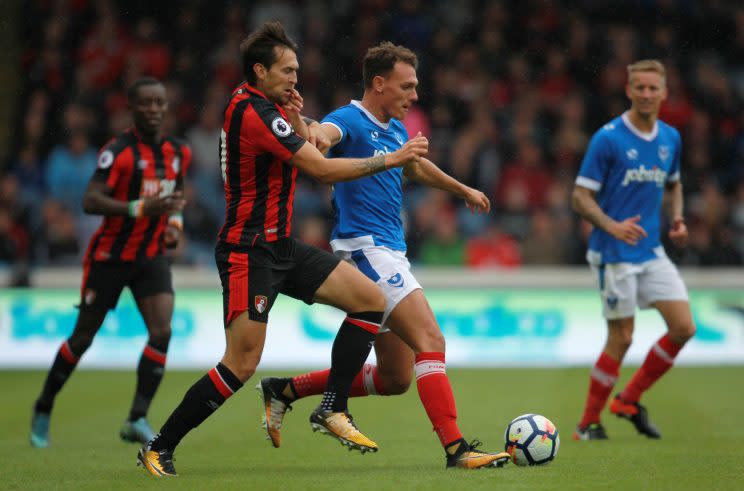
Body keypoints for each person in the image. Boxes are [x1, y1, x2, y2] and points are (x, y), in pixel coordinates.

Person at [137, 22, 429, 477]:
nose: (295, 78)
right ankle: (159, 446)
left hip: (279, 245)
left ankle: (333, 407)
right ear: (259, 70)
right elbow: (322, 170)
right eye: (287, 70)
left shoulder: (264, 106)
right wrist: (391, 159)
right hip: (246, 251)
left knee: (370, 300)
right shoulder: (253, 111)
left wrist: (297, 120)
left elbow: (309, 139)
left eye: (297, 69)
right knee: (241, 363)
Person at [257, 42, 511, 469]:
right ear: (379, 83)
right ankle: (457, 450)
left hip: (390, 251)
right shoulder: (349, 120)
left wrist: (462, 188)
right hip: (366, 251)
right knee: (431, 340)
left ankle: (286, 389)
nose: (414, 95)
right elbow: (321, 137)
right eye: (406, 86)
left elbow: (413, 167)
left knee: (396, 378)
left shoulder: (393, 127)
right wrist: (307, 126)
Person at [30, 77, 191, 448]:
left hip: (151, 255)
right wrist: (138, 208)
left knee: (162, 331)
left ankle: (136, 417)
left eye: (159, 103)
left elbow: (177, 193)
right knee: (83, 337)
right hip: (110, 257)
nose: (154, 109)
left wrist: (175, 225)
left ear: (166, 108)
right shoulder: (117, 152)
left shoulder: (177, 152)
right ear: (132, 109)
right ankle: (43, 404)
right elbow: (90, 200)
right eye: (146, 103)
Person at [571, 60, 696, 440]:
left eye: (652, 88)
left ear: (663, 92)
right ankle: (587, 424)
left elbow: (674, 184)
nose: (645, 94)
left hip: (652, 250)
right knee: (623, 337)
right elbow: (579, 196)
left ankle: (628, 399)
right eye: (638, 88)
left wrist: (677, 218)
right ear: (628, 91)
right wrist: (612, 225)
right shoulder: (608, 138)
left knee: (683, 327)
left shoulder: (670, 138)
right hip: (613, 253)